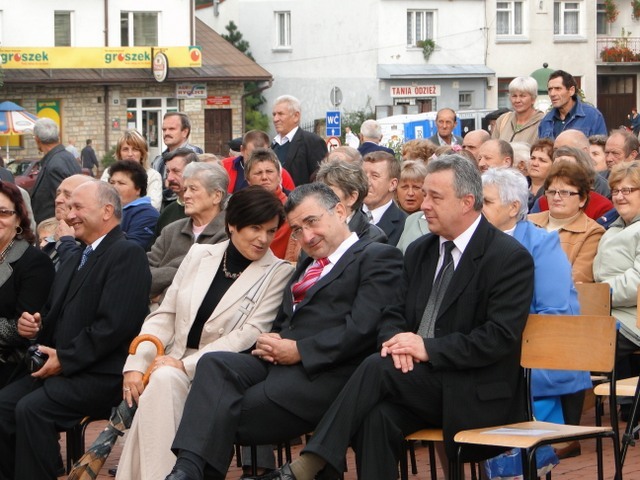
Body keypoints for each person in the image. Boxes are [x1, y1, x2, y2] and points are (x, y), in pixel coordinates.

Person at [256, 154, 534, 480]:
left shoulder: (508, 257)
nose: (424, 205)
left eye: (435, 197)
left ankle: (309, 465)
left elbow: (498, 337)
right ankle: (313, 464)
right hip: (416, 379)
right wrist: (396, 343)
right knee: (377, 417)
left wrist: (426, 348)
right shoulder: (420, 250)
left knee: (376, 366)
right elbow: (392, 314)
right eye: (425, 195)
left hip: (476, 389)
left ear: (467, 202)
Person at [164, 182, 404, 480]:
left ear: (340, 212)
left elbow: (362, 329)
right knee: (213, 364)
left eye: (312, 222)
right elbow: (289, 319)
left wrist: (300, 351)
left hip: (327, 372)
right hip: (279, 363)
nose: (307, 236)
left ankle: (192, 473)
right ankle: (185, 471)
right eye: (297, 230)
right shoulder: (308, 263)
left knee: (218, 411)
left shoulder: (377, 256)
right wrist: (274, 337)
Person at [116, 187, 295, 480]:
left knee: (164, 379)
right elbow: (165, 314)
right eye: (255, 228)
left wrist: (183, 365)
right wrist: (137, 364)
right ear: (232, 224)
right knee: (161, 379)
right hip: (168, 361)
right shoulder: (200, 254)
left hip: (218, 373)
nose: (263, 239)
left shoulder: (278, 272)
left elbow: (249, 334)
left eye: (271, 230)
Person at [0, 181, 151, 479]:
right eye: (69, 208)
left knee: (31, 409)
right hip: (63, 366)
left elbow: (112, 327)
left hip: (100, 373)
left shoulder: (126, 254)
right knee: (3, 407)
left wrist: (65, 359)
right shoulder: (79, 256)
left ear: (106, 211)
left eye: (78, 207)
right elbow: (54, 314)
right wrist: (34, 326)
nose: (69, 216)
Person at [481, 168, 589, 432]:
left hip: (534, 363)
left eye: (486, 202)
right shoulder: (474, 243)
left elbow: (554, 315)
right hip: (488, 351)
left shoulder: (541, 245)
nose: (477, 208)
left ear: (513, 207)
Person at [148, 162, 228, 302]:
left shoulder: (228, 234)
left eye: (193, 189)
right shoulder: (171, 230)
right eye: (185, 189)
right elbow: (142, 273)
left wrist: (162, 297)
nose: (186, 195)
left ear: (216, 196)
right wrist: (184, 270)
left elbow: (204, 286)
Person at [0, 182, 54, 386]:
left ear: (18, 219)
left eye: (3, 213)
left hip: (11, 364)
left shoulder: (34, 262)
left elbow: (23, 329)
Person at [529, 161, 605, 283]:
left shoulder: (592, 232)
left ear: (582, 199)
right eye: (552, 192)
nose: (556, 198)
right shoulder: (528, 221)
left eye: (565, 193)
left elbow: (578, 278)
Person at [593, 160, 640, 349]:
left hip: (630, 321)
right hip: (603, 312)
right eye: (615, 191)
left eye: (627, 190)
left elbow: (637, 283)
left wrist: (596, 294)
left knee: (579, 344)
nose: (619, 197)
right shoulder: (612, 229)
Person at [245, 148, 299, 262]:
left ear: (279, 177)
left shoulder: (293, 209)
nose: (264, 177)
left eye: (269, 171)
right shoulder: (240, 209)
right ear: (248, 180)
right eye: (258, 173)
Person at [315, 158, 387, 243]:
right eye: (320, 192)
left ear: (352, 198)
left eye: (329, 193)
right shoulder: (312, 230)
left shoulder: (373, 237)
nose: (321, 199)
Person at [30, 118, 82, 223]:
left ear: (37, 139)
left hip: (55, 227)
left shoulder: (55, 165)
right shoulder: (67, 156)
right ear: (58, 136)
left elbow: (66, 203)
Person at [271, 95, 327, 186]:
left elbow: (320, 180)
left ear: (296, 116)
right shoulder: (273, 145)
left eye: (280, 114)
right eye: (274, 114)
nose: (275, 119)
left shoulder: (312, 142)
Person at [102, 130, 163, 210]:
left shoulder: (153, 176)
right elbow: (101, 200)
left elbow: (153, 206)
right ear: (119, 153)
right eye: (125, 149)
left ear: (142, 153)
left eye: (135, 149)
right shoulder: (108, 173)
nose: (130, 154)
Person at [538, 70, 607, 140]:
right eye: (550, 89)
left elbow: (600, 145)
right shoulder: (546, 121)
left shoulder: (592, 116)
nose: (552, 94)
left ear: (571, 91)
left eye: (558, 89)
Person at [222, 130, 295, 194]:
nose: (257, 161)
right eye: (251, 156)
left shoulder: (280, 173)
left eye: (263, 155)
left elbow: (293, 200)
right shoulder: (224, 167)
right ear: (242, 150)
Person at [108, 160, 159, 251]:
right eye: (112, 182)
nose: (114, 187)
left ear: (138, 189)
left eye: (121, 183)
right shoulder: (109, 209)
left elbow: (131, 248)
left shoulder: (147, 214)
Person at [362, 151, 406, 246]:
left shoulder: (405, 225)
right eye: (363, 175)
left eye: (375, 176)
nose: (366, 182)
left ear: (392, 184)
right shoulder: (345, 216)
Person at [154, 148, 198, 236]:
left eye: (176, 171)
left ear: (194, 172)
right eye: (168, 172)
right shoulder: (167, 213)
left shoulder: (206, 210)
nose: (169, 178)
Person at [492, 76, 544, 144]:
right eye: (514, 96)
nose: (517, 100)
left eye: (522, 96)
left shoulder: (543, 123)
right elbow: (493, 147)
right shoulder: (503, 120)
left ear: (533, 99)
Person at [528, 138, 555, 210]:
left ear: (554, 165)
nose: (535, 163)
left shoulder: (553, 195)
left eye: (542, 160)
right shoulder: (516, 186)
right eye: (532, 158)